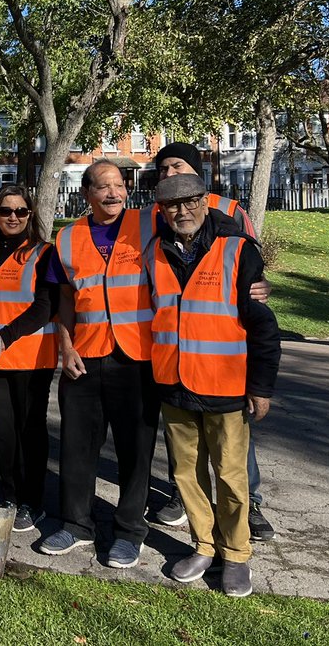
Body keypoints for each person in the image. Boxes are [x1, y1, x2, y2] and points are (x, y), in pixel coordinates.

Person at [147, 173, 281, 598]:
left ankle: (237, 555)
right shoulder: (154, 252)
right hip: (174, 383)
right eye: (172, 206)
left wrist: (260, 388)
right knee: (186, 474)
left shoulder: (238, 251)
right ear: (162, 211)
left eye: (190, 202)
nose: (182, 212)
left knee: (230, 476)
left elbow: (263, 326)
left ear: (205, 201)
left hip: (225, 386)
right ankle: (204, 546)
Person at [39, 160, 159, 570]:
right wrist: (65, 346)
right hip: (85, 358)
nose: (114, 192)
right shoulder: (68, 237)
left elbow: (199, 223)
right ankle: (76, 524)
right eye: (104, 186)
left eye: (120, 184)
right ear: (87, 193)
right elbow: (66, 299)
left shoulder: (148, 226)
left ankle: (129, 532)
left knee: (135, 451)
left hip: (137, 359)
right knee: (76, 448)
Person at [0, 185, 59, 532]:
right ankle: (9, 494)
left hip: (29, 358)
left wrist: (5, 335)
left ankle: (33, 502)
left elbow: (46, 306)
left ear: (30, 216)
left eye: (21, 212)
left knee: (29, 431)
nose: (14, 217)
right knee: (1, 431)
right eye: (6, 211)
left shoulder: (42, 253)